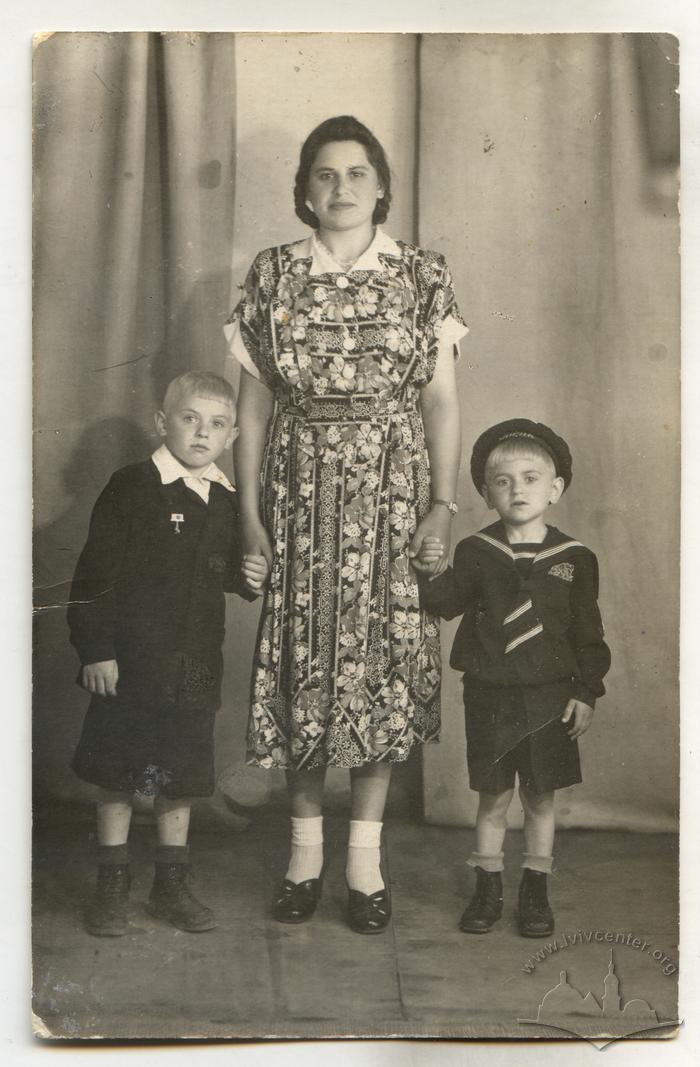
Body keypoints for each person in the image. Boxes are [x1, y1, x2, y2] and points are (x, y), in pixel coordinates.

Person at [225, 115, 467, 933]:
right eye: (325, 175)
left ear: (381, 186)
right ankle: (304, 857)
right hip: (296, 496)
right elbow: (255, 404)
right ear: (303, 189)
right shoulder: (273, 274)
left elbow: (439, 399)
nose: (341, 188)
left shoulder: (423, 277)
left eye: (357, 173)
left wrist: (440, 503)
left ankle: (364, 863)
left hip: (393, 495)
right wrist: (250, 513)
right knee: (303, 663)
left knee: (381, 669)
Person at [67, 372, 268, 937]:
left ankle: (169, 887)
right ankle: (111, 888)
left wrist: (248, 577)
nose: (202, 433)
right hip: (130, 662)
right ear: (162, 422)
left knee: (178, 776)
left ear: (231, 437)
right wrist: (97, 650)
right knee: (120, 773)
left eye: (218, 425)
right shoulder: (131, 487)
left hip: (195, 665)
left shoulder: (227, 501)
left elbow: (224, 574)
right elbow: (93, 578)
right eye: (190, 419)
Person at [413, 419, 611, 937]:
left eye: (530, 478)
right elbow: (445, 604)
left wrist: (586, 691)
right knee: (494, 797)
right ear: (485, 491)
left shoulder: (575, 558)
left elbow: (590, 633)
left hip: (550, 697)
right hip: (491, 695)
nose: (517, 489)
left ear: (555, 488)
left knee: (541, 798)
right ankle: (487, 886)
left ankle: (535, 890)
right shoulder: (477, 552)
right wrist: (429, 569)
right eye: (503, 481)